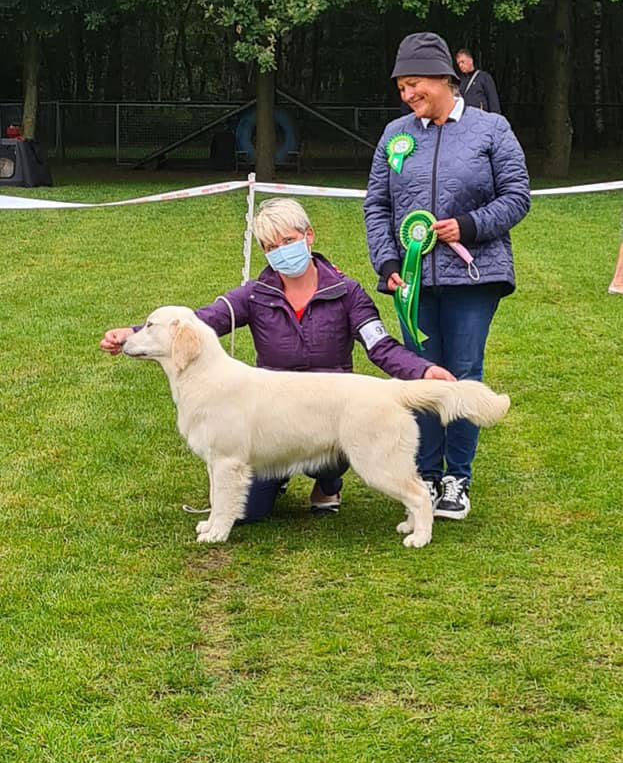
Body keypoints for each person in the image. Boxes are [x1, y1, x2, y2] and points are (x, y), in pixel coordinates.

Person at [100, 197, 454, 524]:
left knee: (352, 432)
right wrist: (133, 335)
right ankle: (276, 474)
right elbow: (198, 322)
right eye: (270, 247)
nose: (280, 252)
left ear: (308, 236)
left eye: (287, 241)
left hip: (332, 408)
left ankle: (327, 484)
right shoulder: (255, 293)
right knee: (249, 513)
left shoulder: (347, 292)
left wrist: (423, 371)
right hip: (273, 416)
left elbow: (381, 347)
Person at [364, 32, 530, 521]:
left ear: (444, 79)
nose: (407, 95)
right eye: (401, 88)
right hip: (414, 282)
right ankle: (425, 479)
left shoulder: (491, 129)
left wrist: (471, 225)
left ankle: (456, 477)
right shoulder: (396, 135)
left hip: (474, 276)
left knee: (461, 372)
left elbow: (518, 196)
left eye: (414, 84)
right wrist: (390, 263)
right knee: (419, 376)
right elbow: (377, 204)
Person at [455, 47, 501, 113]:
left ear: (471, 60)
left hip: (480, 119)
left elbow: (493, 102)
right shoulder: (459, 80)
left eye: (462, 62)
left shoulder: (484, 77)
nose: (460, 65)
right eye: (458, 63)